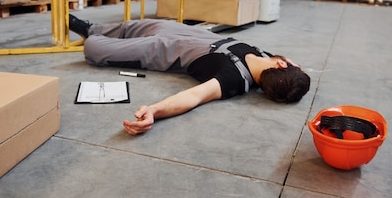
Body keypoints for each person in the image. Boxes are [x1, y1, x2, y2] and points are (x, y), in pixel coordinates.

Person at [69, 14, 311, 135]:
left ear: (283, 65)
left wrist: (154, 110)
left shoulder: (233, 79)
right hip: (186, 33)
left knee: (96, 49)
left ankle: (93, 38)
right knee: (136, 25)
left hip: (167, 51)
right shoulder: (265, 56)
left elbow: (194, 96)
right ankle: (91, 28)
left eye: (296, 65)